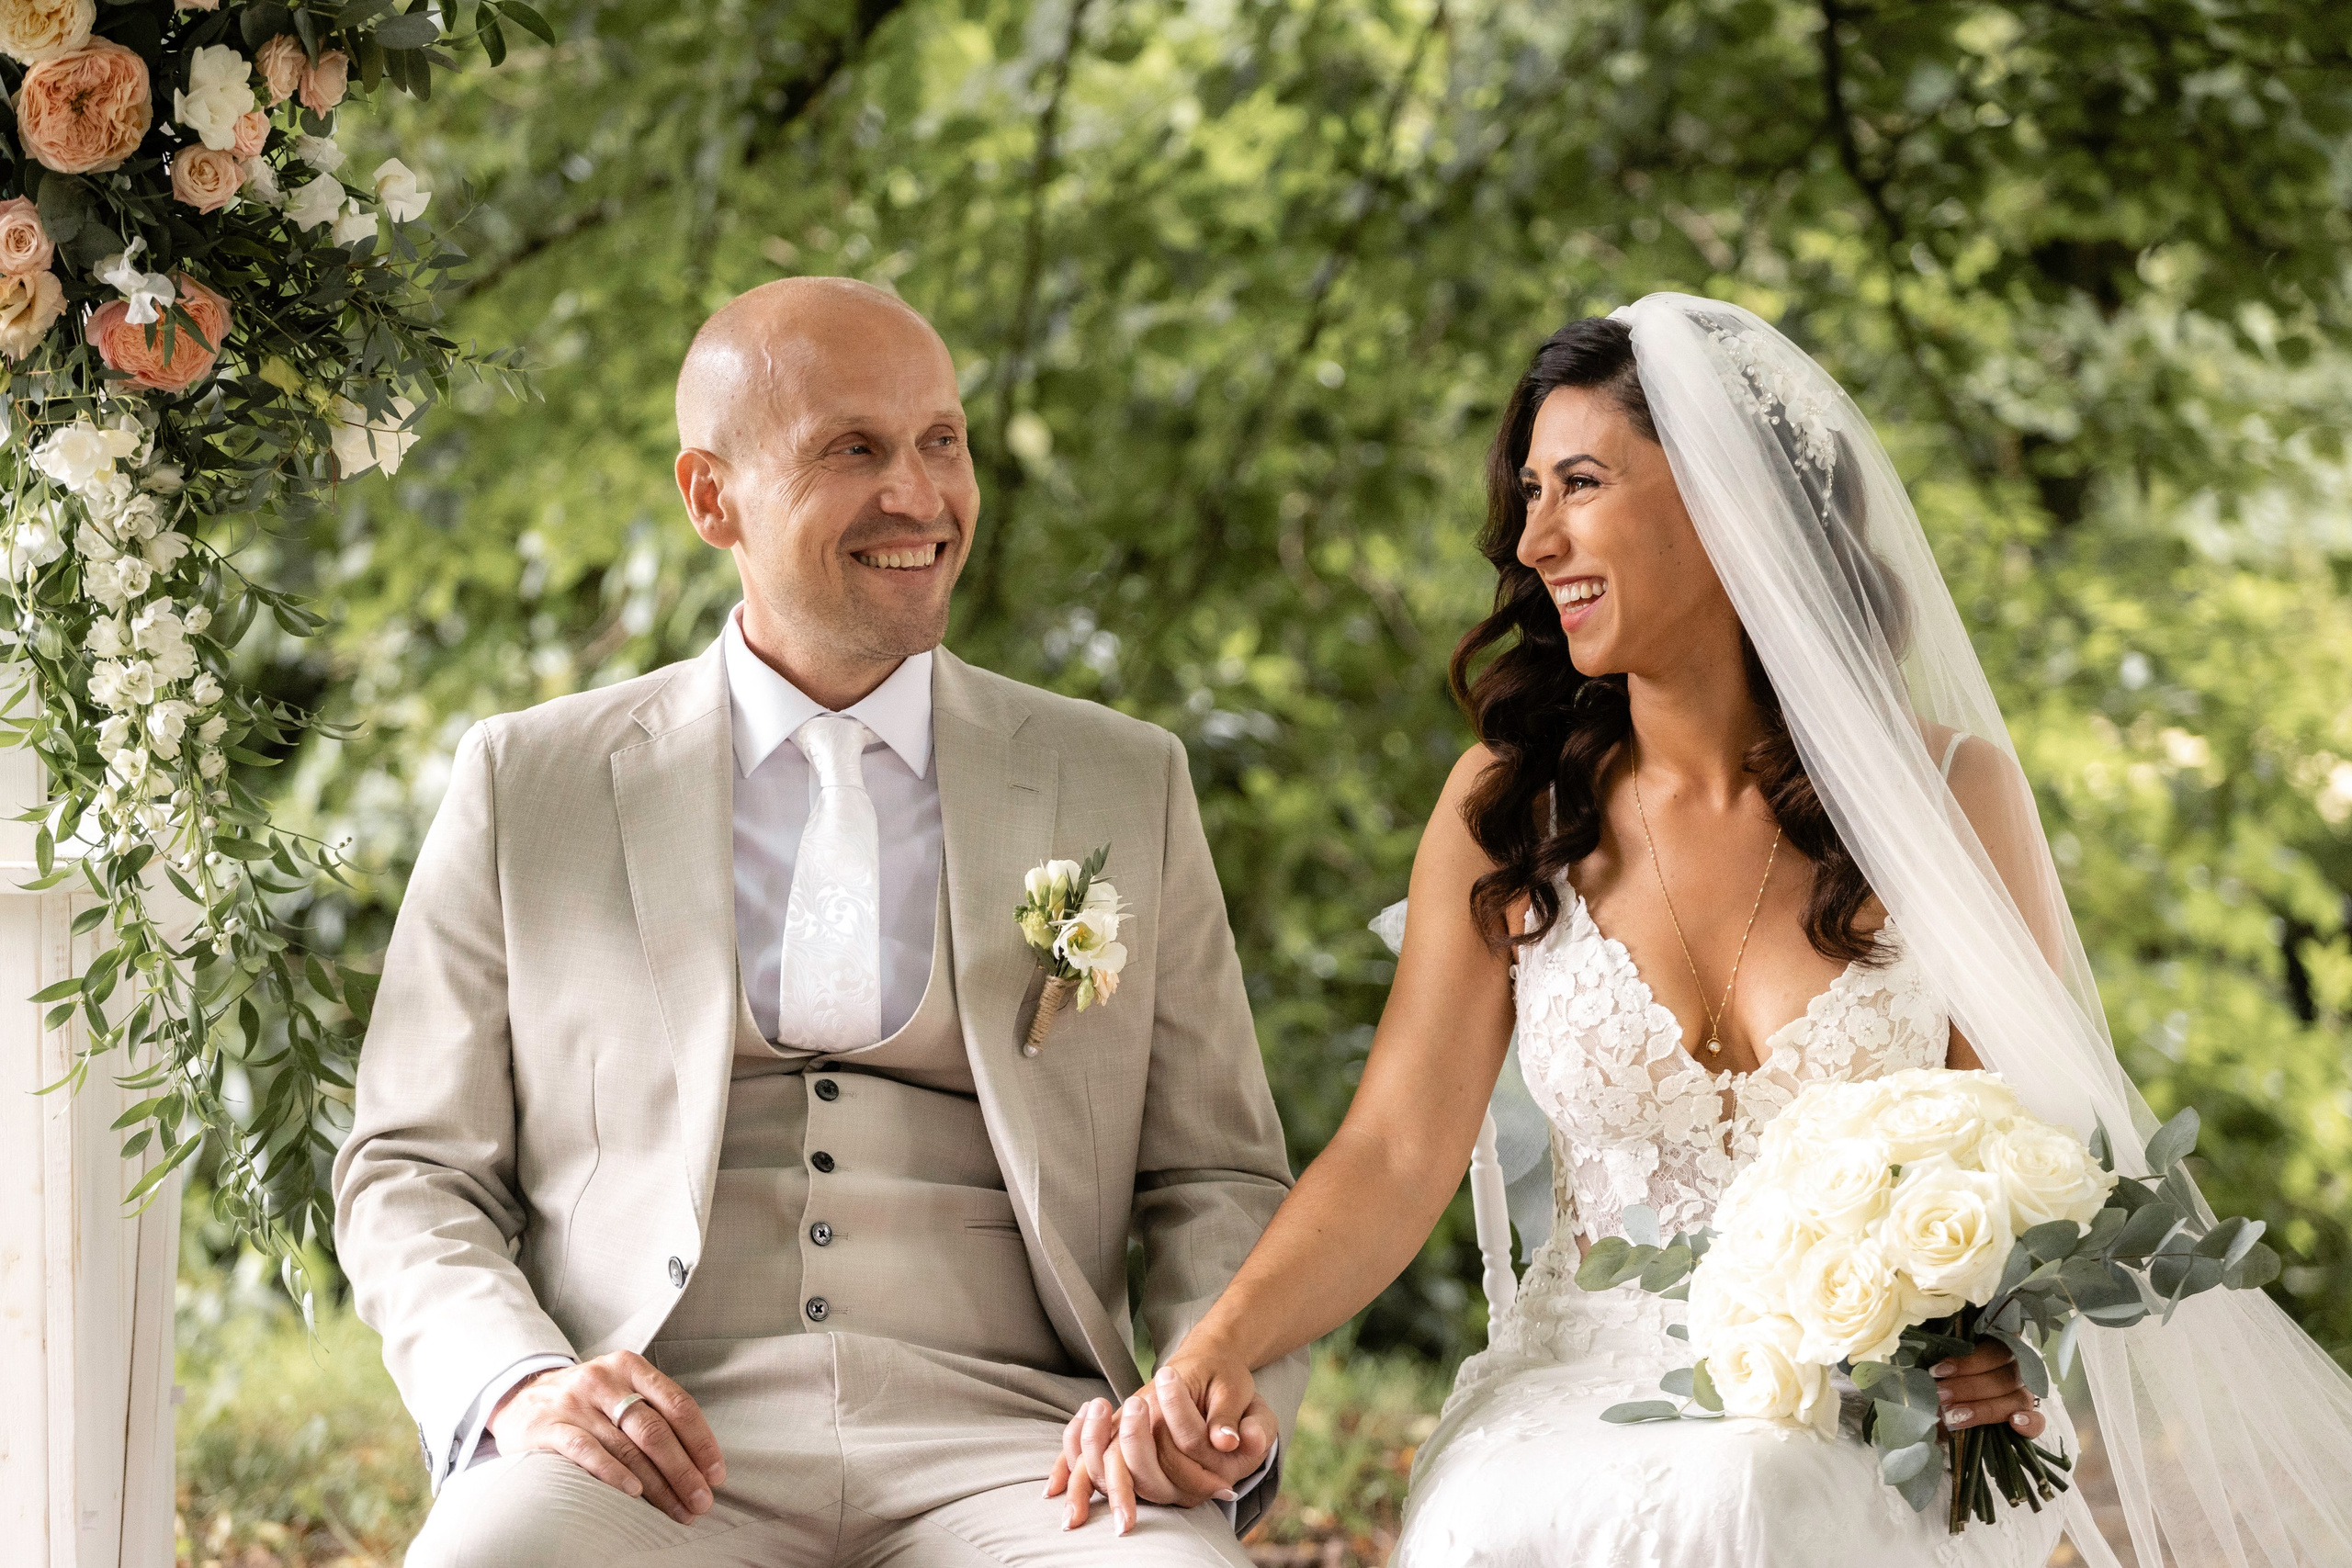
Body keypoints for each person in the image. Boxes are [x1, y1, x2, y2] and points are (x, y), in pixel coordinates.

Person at [1058, 297, 2352, 1565]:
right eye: (1527, 494)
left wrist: (1998, 1343)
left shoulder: (1949, 801)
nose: (1532, 536)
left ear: (1730, 502)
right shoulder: (1504, 807)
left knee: (1761, 1492)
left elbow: (2031, 1154)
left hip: (1862, 1409)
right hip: (1574, 1389)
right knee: (1496, 1523)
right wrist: (1213, 1345)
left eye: (1578, 483)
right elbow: (1395, 1153)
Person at [332, 276, 1306, 1567]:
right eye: (854, 449)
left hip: (1031, 1445)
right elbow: (410, 1172)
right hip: (647, 1443)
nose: (919, 495)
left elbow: (1218, 1175)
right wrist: (518, 1384)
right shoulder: (533, 783)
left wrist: (1197, 1394)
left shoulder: (1119, 778)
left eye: (940, 443)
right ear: (709, 497)